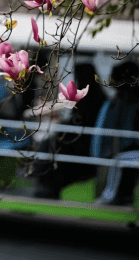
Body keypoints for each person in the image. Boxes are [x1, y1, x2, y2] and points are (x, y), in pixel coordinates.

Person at [33, 61, 107, 199]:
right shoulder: (97, 95)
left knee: (50, 146)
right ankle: (46, 184)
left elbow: (80, 121)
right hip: (82, 139)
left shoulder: (89, 99)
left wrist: (63, 127)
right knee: (51, 144)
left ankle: (49, 186)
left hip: (83, 144)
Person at [94, 60, 139, 205]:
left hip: (129, 149)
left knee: (122, 159)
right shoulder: (117, 101)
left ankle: (111, 196)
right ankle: (117, 196)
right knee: (121, 159)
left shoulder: (126, 101)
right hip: (123, 148)